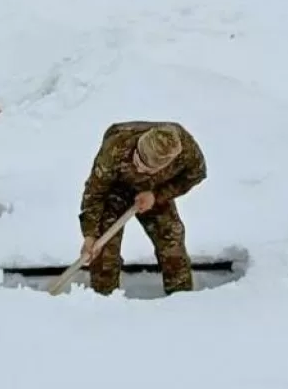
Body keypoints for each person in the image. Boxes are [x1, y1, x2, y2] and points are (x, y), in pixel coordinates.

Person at [77, 121, 207, 296]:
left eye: (143, 167)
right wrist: (90, 235)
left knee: (171, 237)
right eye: (136, 159)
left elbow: (195, 174)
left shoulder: (186, 151)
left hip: (152, 191)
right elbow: (95, 193)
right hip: (115, 190)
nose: (137, 167)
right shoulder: (115, 148)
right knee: (104, 249)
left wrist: (156, 196)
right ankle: (104, 301)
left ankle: (181, 299)